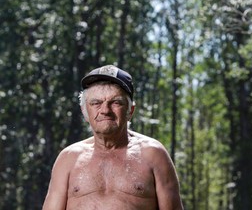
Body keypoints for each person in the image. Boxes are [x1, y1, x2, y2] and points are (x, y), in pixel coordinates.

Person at [42, 65, 184, 210]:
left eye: (116, 102)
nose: (105, 110)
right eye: (96, 103)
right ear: (85, 111)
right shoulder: (68, 158)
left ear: (130, 111)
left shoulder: (153, 155)